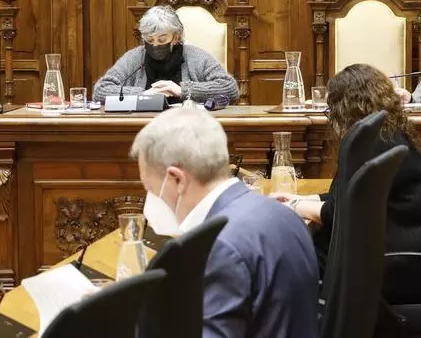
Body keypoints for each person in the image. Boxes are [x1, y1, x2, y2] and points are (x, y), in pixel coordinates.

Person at [270, 64, 421, 304]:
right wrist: (303, 199)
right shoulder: (385, 134)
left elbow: (341, 213)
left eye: (331, 110)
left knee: (282, 253)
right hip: (406, 257)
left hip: (396, 267)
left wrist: (293, 207)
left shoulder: (369, 143)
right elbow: (348, 197)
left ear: (345, 108)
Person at [131, 104, 318, 336]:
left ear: (177, 179)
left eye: (150, 188)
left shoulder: (218, 247)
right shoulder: (284, 214)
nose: (151, 199)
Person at [93, 5, 240, 104]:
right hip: (143, 126)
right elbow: (100, 91)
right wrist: (142, 95)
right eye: (149, 40)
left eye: (162, 39)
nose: (155, 45)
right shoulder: (134, 58)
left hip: (187, 126)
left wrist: (183, 91)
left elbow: (230, 89)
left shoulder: (196, 57)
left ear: (175, 37)